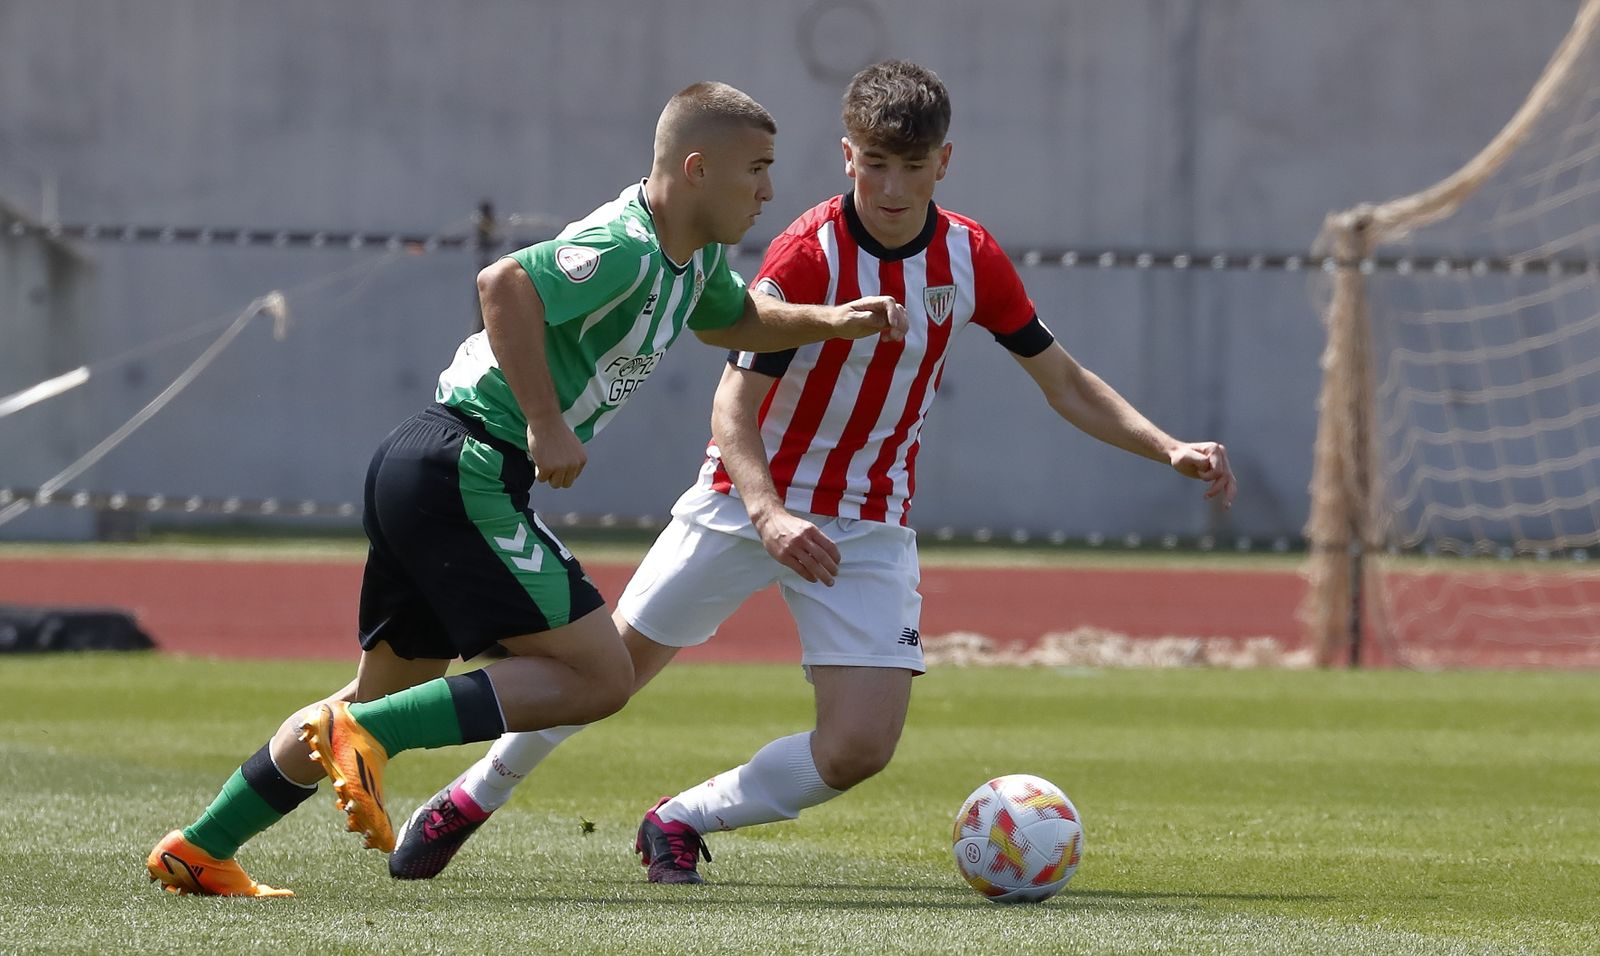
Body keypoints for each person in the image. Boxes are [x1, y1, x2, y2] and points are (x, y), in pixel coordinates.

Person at [387, 60, 1236, 885]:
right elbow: (733, 404)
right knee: (600, 677)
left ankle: (680, 820)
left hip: (867, 521)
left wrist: (1166, 447)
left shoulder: (972, 257)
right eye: (875, 165)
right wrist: (768, 514)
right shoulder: (809, 250)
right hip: (742, 502)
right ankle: (471, 798)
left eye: (911, 167)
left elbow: (1064, 381)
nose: (893, 189)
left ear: (944, 162)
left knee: (858, 749)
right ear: (847, 157)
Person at [144, 81, 909, 897]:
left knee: (380, 692)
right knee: (602, 675)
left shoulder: (695, 260)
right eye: (755, 171)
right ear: (695, 169)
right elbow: (502, 284)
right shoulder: (627, 245)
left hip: (427, 467)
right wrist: (545, 423)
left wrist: (835, 322)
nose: (766, 191)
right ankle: (363, 735)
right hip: (468, 466)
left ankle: (203, 847)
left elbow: (736, 323)